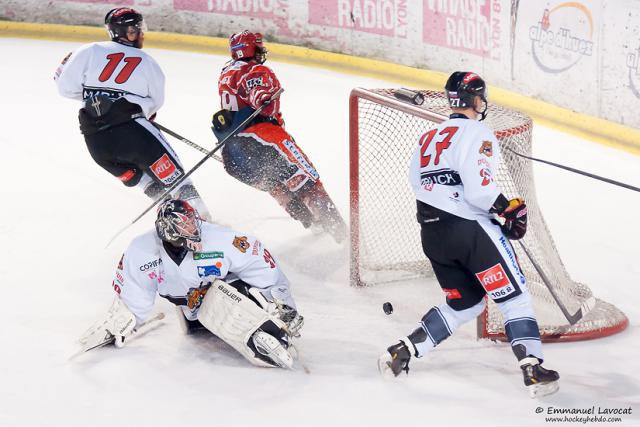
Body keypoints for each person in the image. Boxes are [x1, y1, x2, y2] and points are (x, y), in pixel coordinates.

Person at [378, 72, 559, 398]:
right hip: (470, 232)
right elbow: (479, 191)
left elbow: (425, 186)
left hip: (433, 235)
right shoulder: (478, 132)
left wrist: (491, 209)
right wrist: (506, 209)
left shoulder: (426, 139)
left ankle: (403, 350)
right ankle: (533, 368)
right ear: (477, 100)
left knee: (467, 303)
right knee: (515, 299)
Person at [78, 199, 303, 369]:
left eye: (193, 223)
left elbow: (263, 267)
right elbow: (135, 292)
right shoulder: (140, 251)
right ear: (167, 231)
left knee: (223, 299)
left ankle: (268, 331)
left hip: (231, 293)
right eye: (186, 227)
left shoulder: (224, 239)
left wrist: (284, 304)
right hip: (190, 311)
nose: (194, 230)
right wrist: (121, 322)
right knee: (201, 324)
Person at [54, 7, 211, 219]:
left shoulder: (88, 50)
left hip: (97, 144)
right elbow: (156, 102)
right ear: (125, 31)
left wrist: (97, 96)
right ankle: (204, 223)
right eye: (136, 29)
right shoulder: (146, 60)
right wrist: (137, 109)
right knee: (180, 183)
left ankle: (173, 227)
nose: (141, 33)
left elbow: (64, 87)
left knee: (146, 184)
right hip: (135, 135)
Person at [212, 31, 345, 242]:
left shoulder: (226, 72)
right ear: (248, 49)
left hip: (232, 152)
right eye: (257, 47)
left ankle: (311, 223)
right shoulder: (255, 70)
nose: (260, 51)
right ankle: (342, 234)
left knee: (275, 185)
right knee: (307, 181)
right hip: (263, 139)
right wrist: (264, 97)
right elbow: (262, 101)